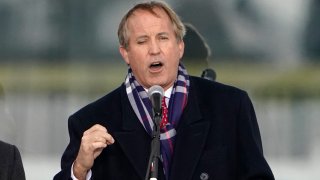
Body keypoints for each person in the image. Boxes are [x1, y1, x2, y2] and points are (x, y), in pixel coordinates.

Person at [54, 1, 274, 180]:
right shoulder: (92, 121)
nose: (154, 49)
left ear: (180, 47)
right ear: (126, 54)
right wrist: (79, 171)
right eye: (142, 41)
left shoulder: (229, 106)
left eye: (163, 38)